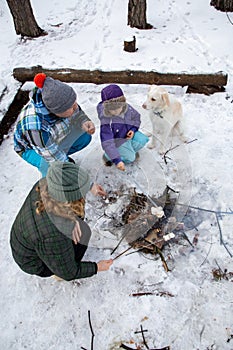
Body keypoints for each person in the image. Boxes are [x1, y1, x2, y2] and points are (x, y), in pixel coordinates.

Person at [10, 161, 113, 281]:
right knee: (83, 235)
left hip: (29, 240)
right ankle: (57, 273)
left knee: (82, 230)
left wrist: (89, 187)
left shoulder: (44, 185)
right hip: (35, 262)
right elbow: (69, 273)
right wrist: (97, 267)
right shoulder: (53, 235)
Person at [14, 73, 95, 177]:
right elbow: (52, 156)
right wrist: (74, 174)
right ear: (57, 111)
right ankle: (52, 181)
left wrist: (83, 121)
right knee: (50, 168)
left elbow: (76, 111)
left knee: (84, 137)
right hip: (32, 149)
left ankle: (63, 159)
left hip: (52, 139)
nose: (75, 107)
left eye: (75, 103)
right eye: (71, 107)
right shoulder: (37, 128)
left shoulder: (62, 103)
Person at [97, 84, 149, 171]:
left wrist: (132, 130)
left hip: (127, 136)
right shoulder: (107, 121)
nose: (117, 111)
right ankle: (109, 156)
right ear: (107, 108)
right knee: (131, 158)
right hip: (117, 142)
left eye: (118, 107)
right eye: (113, 109)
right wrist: (117, 161)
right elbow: (107, 142)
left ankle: (127, 151)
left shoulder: (127, 109)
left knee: (143, 139)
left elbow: (136, 118)